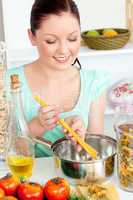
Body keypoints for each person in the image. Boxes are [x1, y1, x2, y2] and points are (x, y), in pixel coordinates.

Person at [6, 0, 110, 157]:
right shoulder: (8, 83)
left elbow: (94, 156)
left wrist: (81, 137)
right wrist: (37, 126)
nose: (63, 50)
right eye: (51, 41)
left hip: (74, 179)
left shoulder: (94, 83)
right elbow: (7, 155)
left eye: (73, 39)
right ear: (32, 36)